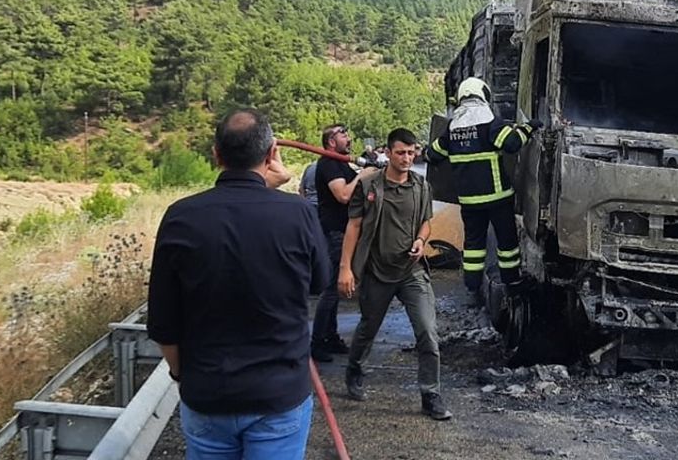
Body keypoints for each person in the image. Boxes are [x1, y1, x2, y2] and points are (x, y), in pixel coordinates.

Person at [148, 108, 330, 459]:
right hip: (278, 395)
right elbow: (319, 282)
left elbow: (163, 324)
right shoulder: (298, 213)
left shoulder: (180, 216)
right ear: (271, 154)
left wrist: (181, 374)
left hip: (207, 393)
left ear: (216, 155)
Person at [338, 128, 451, 420]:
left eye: (412, 152)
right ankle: (355, 369)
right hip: (377, 270)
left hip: (411, 271)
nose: (407, 158)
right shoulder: (370, 186)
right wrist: (346, 268)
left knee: (427, 331)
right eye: (401, 152)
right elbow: (354, 227)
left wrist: (420, 240)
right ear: (388, 153)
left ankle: (431, 394)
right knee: (368, 327)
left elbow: (426, 222)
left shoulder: (421, 185)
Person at [424, 78, 538, 305]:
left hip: (469, 201)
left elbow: (433, 155)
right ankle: (512, 284)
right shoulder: (490, 122)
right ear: (482, 93)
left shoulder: (453, 127)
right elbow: (513, 143)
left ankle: (472, 286)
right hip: (497, 198)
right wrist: (528, 128)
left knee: (474, 245)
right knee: (507, 244)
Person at [312, 124, 373, 362]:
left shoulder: (339, 163)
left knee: (336, 290)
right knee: (331, 288)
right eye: (343, 134)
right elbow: (343, 195)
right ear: (330, 141)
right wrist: (362, 176)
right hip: (334, 232)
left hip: (344, 231)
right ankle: (318, 342)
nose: (348, 138)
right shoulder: (328, 163)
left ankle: (330, 336)